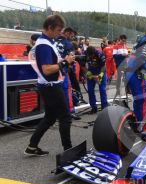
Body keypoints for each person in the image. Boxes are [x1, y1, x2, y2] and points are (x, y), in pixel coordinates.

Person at [25, 14, 75, 156]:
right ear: (49, 28)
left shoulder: (47, 41)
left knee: (50, 117)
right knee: (65, 117)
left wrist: (65, 61)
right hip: (51, 86)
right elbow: (47, 69)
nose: (60, 33)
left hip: (48, 85)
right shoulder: (44, 45)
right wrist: (66, 62)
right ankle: (68, 150)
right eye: (58, 30)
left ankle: (32, 146)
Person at [55, 27, 81, 120]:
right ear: (68, 33)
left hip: (52, 70)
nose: (72, 37)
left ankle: (57, 112)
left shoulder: (53, 41)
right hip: (63, 70)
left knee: (56, 92)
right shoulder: (68, 44)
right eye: (71, 35)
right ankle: (69, 111)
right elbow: (72, 59)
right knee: (67, 90)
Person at [84, 46, 108, 114]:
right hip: (91, 72)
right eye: (89, 55)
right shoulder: (85, 54)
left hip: (100, 71)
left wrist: (100, 76)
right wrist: (88, 74)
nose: (90, 57)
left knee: (102, 90)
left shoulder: (100, 54)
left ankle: (104, 107)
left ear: (94, 53)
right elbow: (82, 65)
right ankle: (93, 107)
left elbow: (104, 66)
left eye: (92, 55)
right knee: (90, 90)